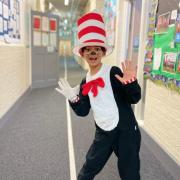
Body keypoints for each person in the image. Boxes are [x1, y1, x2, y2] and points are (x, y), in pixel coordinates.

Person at [56, 11, 141, 180]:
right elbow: (83, 111)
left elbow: (134, 98)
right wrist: (73, 98)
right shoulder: (85, 81)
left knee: (129, 171)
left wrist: (131, 82)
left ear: (102, 52)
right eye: (88, 50)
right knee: (89, 168)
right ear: (82, 54)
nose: (93, 53)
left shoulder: (113, 72)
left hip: (126, 131)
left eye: (97, 49)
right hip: (103, 132)